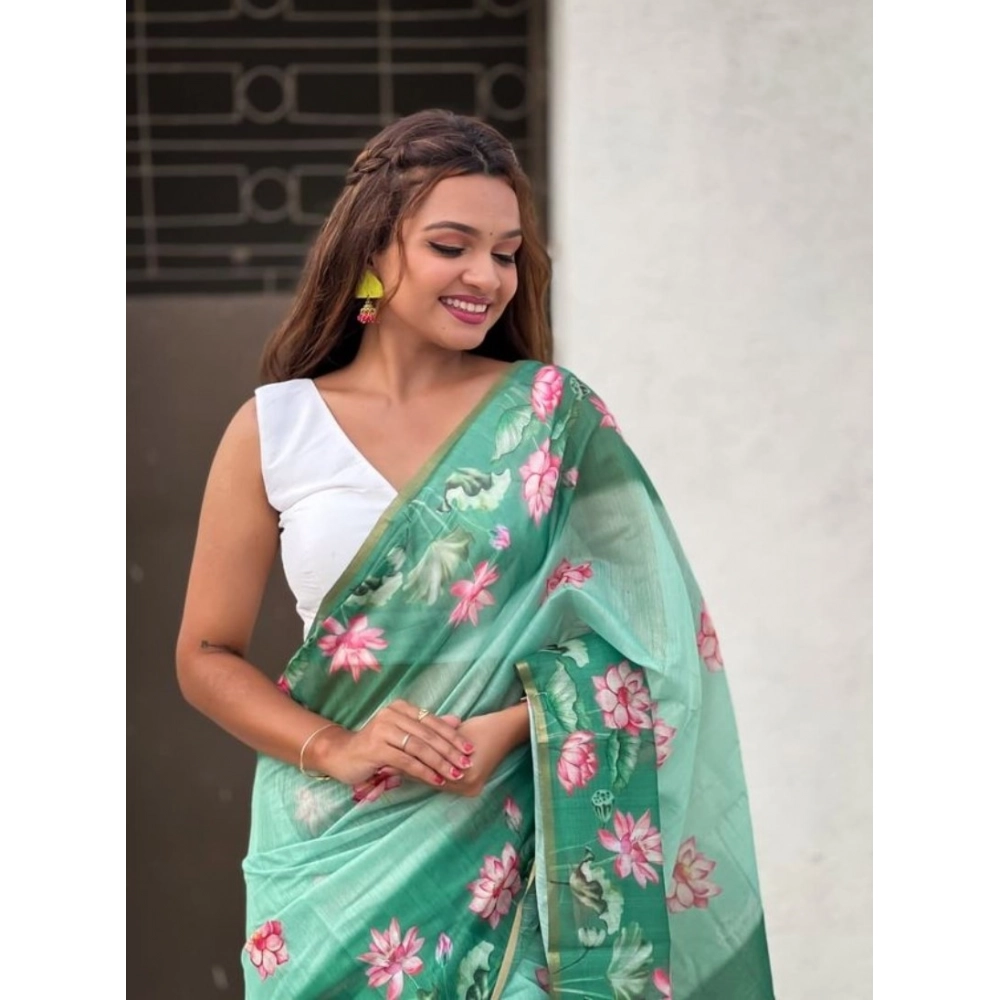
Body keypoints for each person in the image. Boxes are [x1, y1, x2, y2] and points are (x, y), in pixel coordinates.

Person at [176, 108, 775, 999]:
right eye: (451, 246)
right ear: (374, 248)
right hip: (332, 866)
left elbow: (660, 637)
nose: (486, 277)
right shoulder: (276, 428)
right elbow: (205, 654)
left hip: (516, 854)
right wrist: (335, 747)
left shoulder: (550, 416)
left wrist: (512, 730)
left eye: (506, 253)